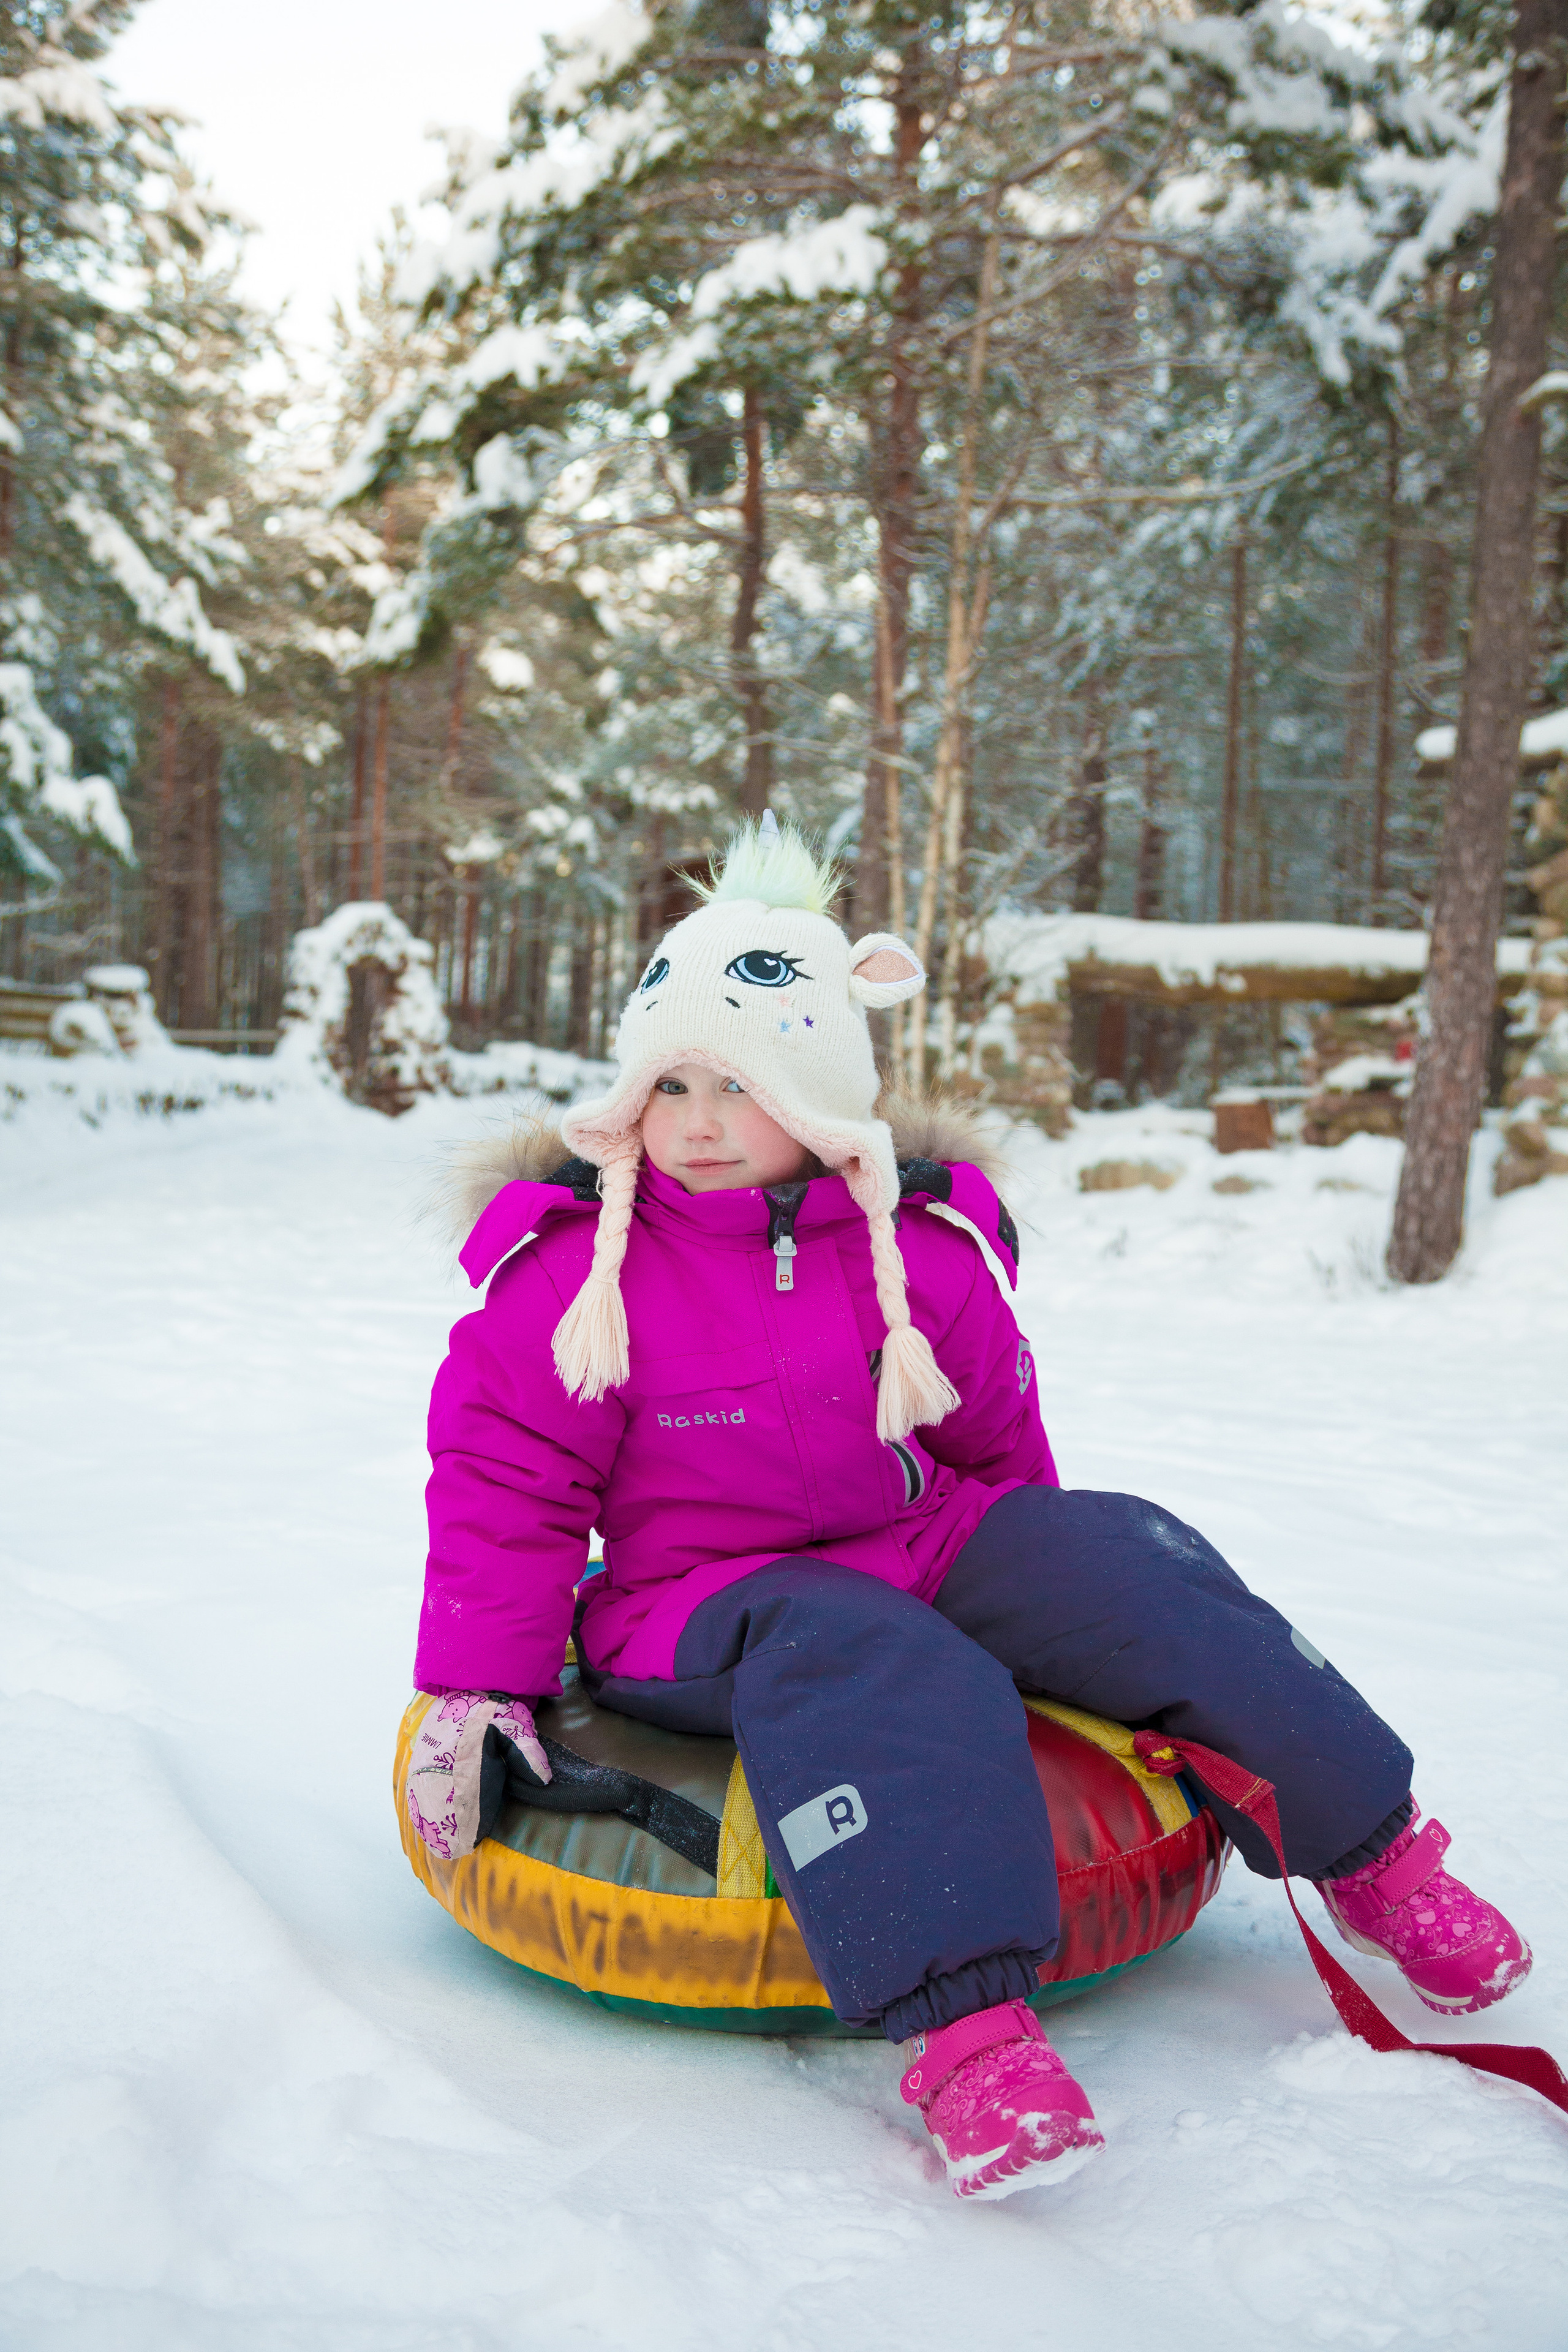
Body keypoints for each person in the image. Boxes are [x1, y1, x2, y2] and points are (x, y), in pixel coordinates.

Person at [407, 818, 1531, 2203]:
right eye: (669, 1083)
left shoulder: (912, 1251)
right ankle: (966, 2036)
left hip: (917, 1535)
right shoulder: (576, 1278)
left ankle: (1376, 1860)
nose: (695, 1123)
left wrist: (1062, 1606)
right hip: (693, 1599)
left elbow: (998, 1443)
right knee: (869, 1651)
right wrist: (476, 1690)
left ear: (820, 1097)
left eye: (738, 1087)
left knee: (1122, 1554)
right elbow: (504, 1486)